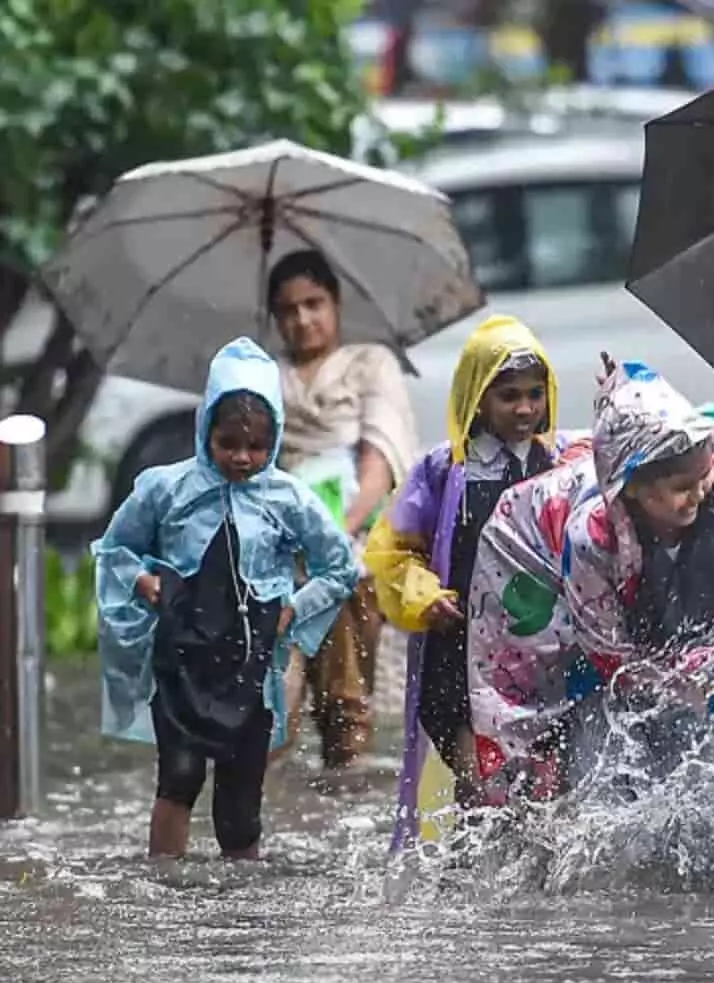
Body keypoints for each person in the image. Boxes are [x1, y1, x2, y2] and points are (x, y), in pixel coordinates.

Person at [95, 337, 358, 859]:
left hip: (251, 667)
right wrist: (144, 582)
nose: (242, 457)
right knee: (179, 778)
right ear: (204, 432)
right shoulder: (164, 490)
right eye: (228, 442)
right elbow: (114, 547)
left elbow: (340, 566)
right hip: (181, 662)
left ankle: (240, 918)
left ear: (276, 438)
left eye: (256, 446)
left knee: (240, 809)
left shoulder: (288, 498)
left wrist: (294, 611)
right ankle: (165, 889)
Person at [364, 316, 585, 845]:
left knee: (542, 795)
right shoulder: (442, 473)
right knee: (478, 788)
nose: (526, 408)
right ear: (478, 399)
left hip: (537, 661)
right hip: (457, 657)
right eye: (509, 396)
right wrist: (425, 598)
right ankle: (469, 896)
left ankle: (522, 906)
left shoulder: (559, 468)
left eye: (535, 394)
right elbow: (392, 554)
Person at [561, 359, 714, 794]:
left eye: (703, 477)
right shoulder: (591, 541)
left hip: (697, 655)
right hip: (597, 665)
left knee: (703, 791)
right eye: (682, 487)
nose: (700, 493)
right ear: (631, 488)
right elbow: (617, 667)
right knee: (604, 793)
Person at [268, 248, 418, 769]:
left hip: (353, 541)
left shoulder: (368, 364)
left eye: (314, 303)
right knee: (269, 713)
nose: (303, 318)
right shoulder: (265, 379)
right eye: (289, 309)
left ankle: (342, 780)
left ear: (335, 305)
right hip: (278, 549)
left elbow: (381, 462)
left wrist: (334, 534)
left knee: (343, 699)